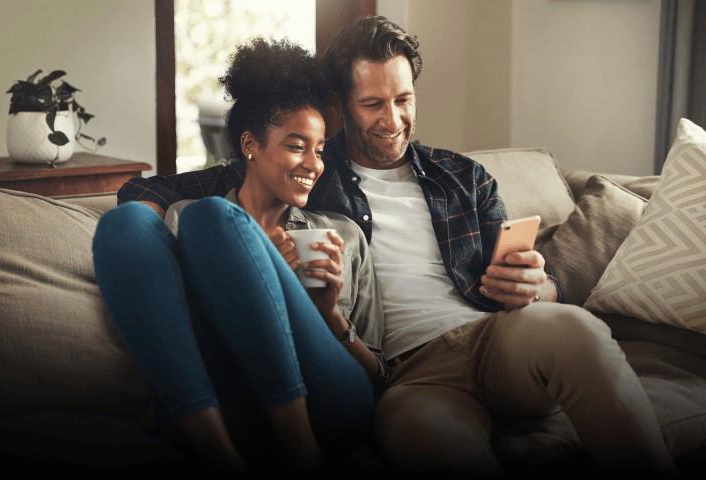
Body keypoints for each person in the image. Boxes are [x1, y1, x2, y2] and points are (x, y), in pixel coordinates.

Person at [117, 18, 675, 474]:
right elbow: (152, 189)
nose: (393, 120)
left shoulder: (463, 176)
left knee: (573, 328)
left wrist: (540, 283)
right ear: (341, 106)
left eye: (403, 100)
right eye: (372, 105)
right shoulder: (305, 164)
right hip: (409, 379)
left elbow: (530, 277)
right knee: (426, 442)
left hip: (498, 338)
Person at [93, 38, 388, 473]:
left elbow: (380, 379)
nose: (314, 163)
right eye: (295, 145)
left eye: (320, 148)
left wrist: (327, 314)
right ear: (251, 145)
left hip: (329, 401)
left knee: (215, 217)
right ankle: (220, 457)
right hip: (226, 399)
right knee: (127, 224)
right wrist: (250, 266)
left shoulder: (342, 235)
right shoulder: (184, 221)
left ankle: (301, 454)